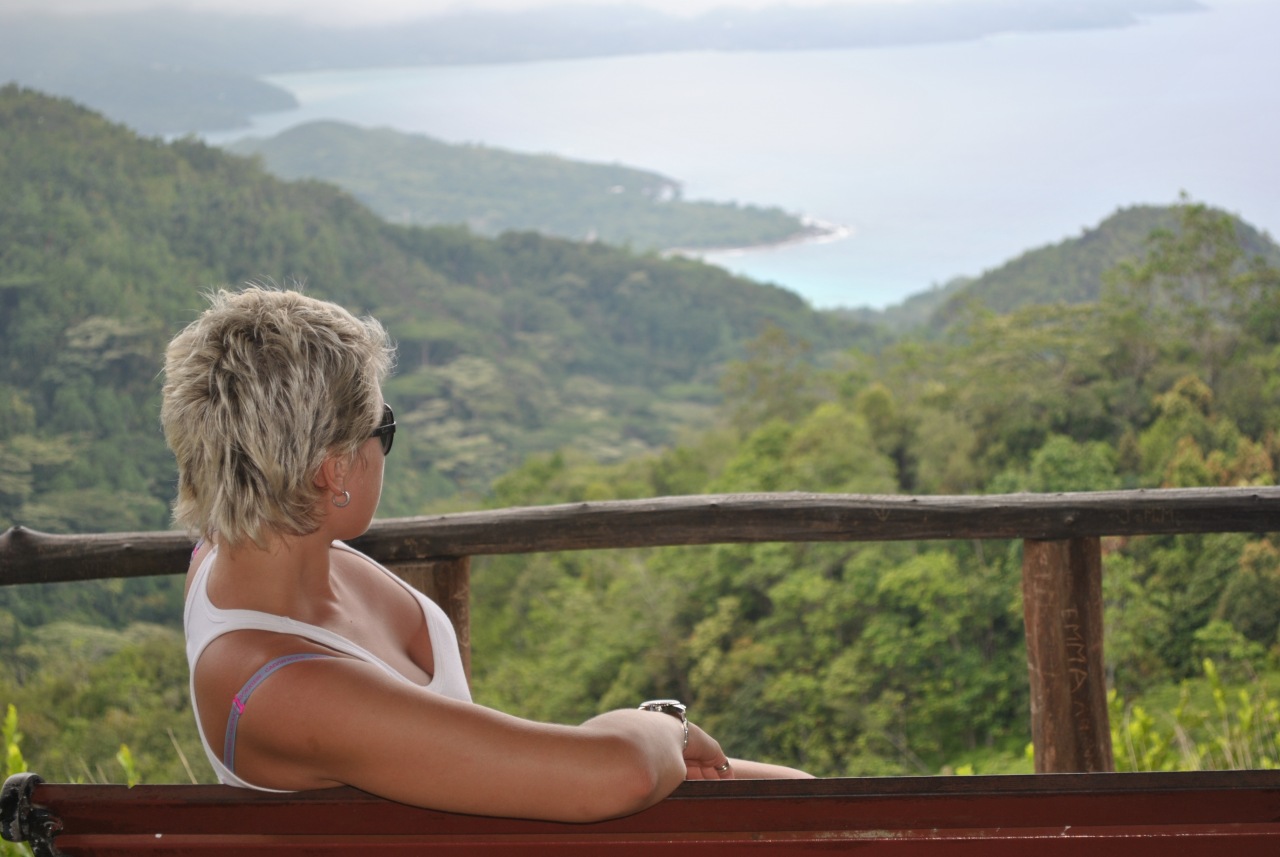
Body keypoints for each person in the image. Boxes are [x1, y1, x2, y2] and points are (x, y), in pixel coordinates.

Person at [162, 287, 808, 823]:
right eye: (383, 426)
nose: (385, 444)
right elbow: (621, 771)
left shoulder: (234, 544)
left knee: (797, 789)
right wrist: (664, 723)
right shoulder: (283, 691)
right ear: (334, 471)